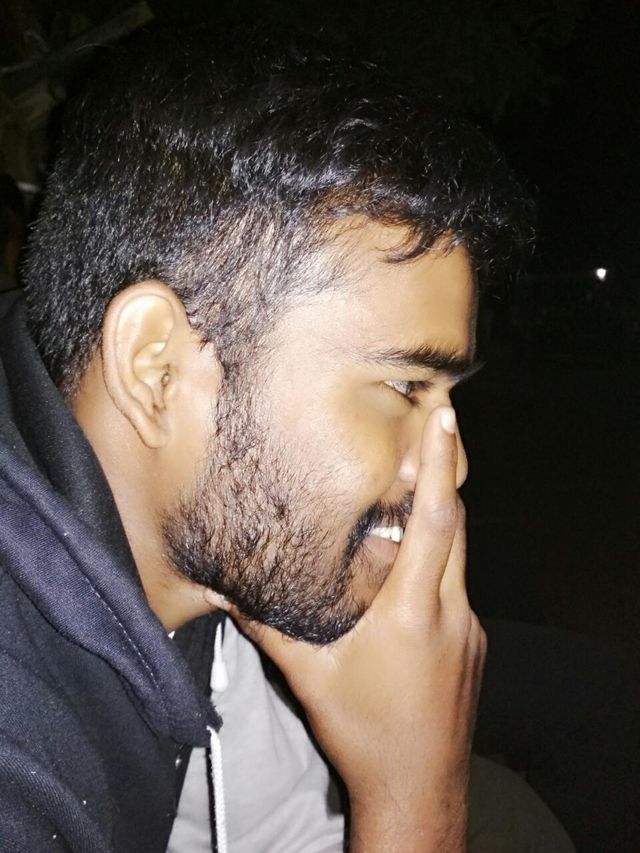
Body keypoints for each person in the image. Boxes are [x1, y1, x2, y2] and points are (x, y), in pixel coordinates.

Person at [0, 25, 575, 853]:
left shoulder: (189, 529)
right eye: (405, 387)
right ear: (156, 368)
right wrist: (414, 799)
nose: (449, 467)